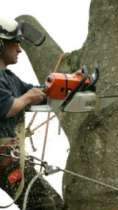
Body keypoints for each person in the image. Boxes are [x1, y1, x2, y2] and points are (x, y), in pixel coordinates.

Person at [0, 17, 64, 210]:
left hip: (10, 157)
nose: (19, 49)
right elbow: (6, 108)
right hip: (4, 157)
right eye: (16, 43)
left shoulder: (9, 78)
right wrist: (27, 98)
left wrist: (64, 85)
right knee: (43, 204)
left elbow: (37, 93)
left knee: (55, 203)